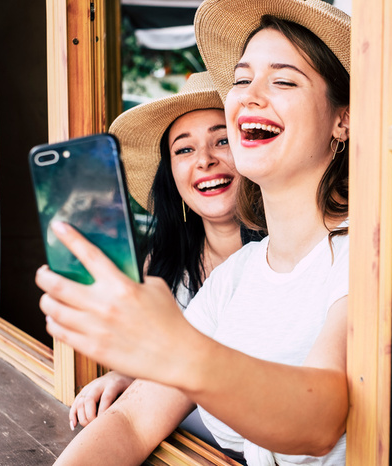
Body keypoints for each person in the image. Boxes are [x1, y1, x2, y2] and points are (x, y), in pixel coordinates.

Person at [36, 0, 351, 464]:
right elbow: (130, 422)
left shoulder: (368, 252)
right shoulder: (238, 276)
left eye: (283, 80)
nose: (248, 95)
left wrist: (176, 349)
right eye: (241, 80)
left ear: (343, 119)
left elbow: (318, 421)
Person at [69, 72, 251, 450]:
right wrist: (123, 376)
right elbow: (151, 374)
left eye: (222, 140)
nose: (205, 160)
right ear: (171, 174)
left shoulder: (286, 261)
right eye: (184, 149)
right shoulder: (165, 264)